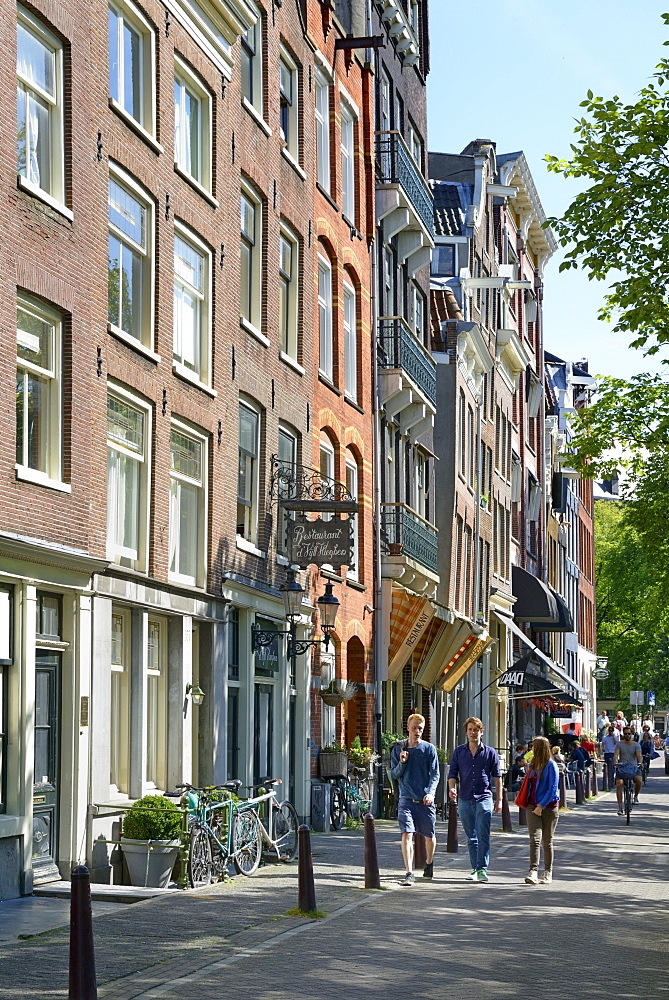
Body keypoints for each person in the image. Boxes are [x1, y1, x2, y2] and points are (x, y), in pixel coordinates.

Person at [448, 717, 502, 883]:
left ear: (481, 732)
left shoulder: (490, 752)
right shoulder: (459, 752)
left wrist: (499, 799)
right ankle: (475, 869)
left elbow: (497, 776)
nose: (473, 733)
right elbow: (452, 773)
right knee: (471, 836)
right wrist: (452, 788)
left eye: (476, 730)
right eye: (470, 730)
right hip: (464, 798)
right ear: (466, 732)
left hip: (484, 797)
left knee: (482, 834)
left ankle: (482, 869)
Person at [389, 713, 439, 886]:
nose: (417, 731)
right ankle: (409, 872)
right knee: (407, 833)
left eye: (420, 729)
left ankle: (429, 863)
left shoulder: (429, 749)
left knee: (429, 835)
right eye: (414, 728)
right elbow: (394, 774)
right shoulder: (398, 748)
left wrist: (431, 793)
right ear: (408, 728)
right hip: (406, 798)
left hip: (424, 799)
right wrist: (402, 762)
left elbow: (435, 774)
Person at [523, 737, 560, 885]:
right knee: (534, 839)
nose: (532, 749)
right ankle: (533, 871)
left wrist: (541, 805)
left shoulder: (551, 765)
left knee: (547, 841)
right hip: (532, 806)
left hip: (549, 808)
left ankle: (548, 872)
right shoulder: (533, 765)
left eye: (534, 747)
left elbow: (552, 789)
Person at [613, 726, 642, 814]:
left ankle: (636, 796)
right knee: (619, 783)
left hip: (633, 767)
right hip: (622, 767)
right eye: (625, 734)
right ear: (623, 734)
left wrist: (640, 763)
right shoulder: (619, 744)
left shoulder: (636, 745)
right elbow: (616, 755)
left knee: (639, 780)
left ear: (631, 734)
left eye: (629, 734)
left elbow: (638, 755)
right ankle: (620, 808)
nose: (627, 735)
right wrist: (615, 762)